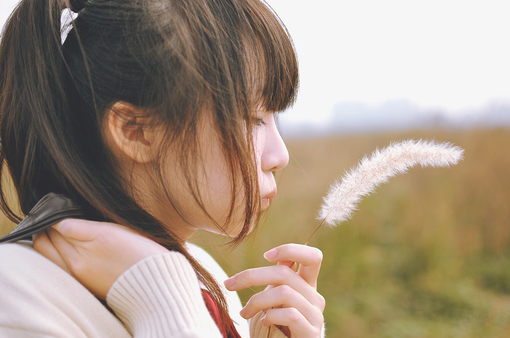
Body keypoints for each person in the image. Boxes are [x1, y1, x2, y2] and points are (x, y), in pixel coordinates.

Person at [0, 0, 325, 337]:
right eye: (251, 118)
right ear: (135, 131)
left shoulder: (197, 276)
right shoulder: (15, 296)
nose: (280, 155)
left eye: (274, 117)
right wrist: (163, 304)